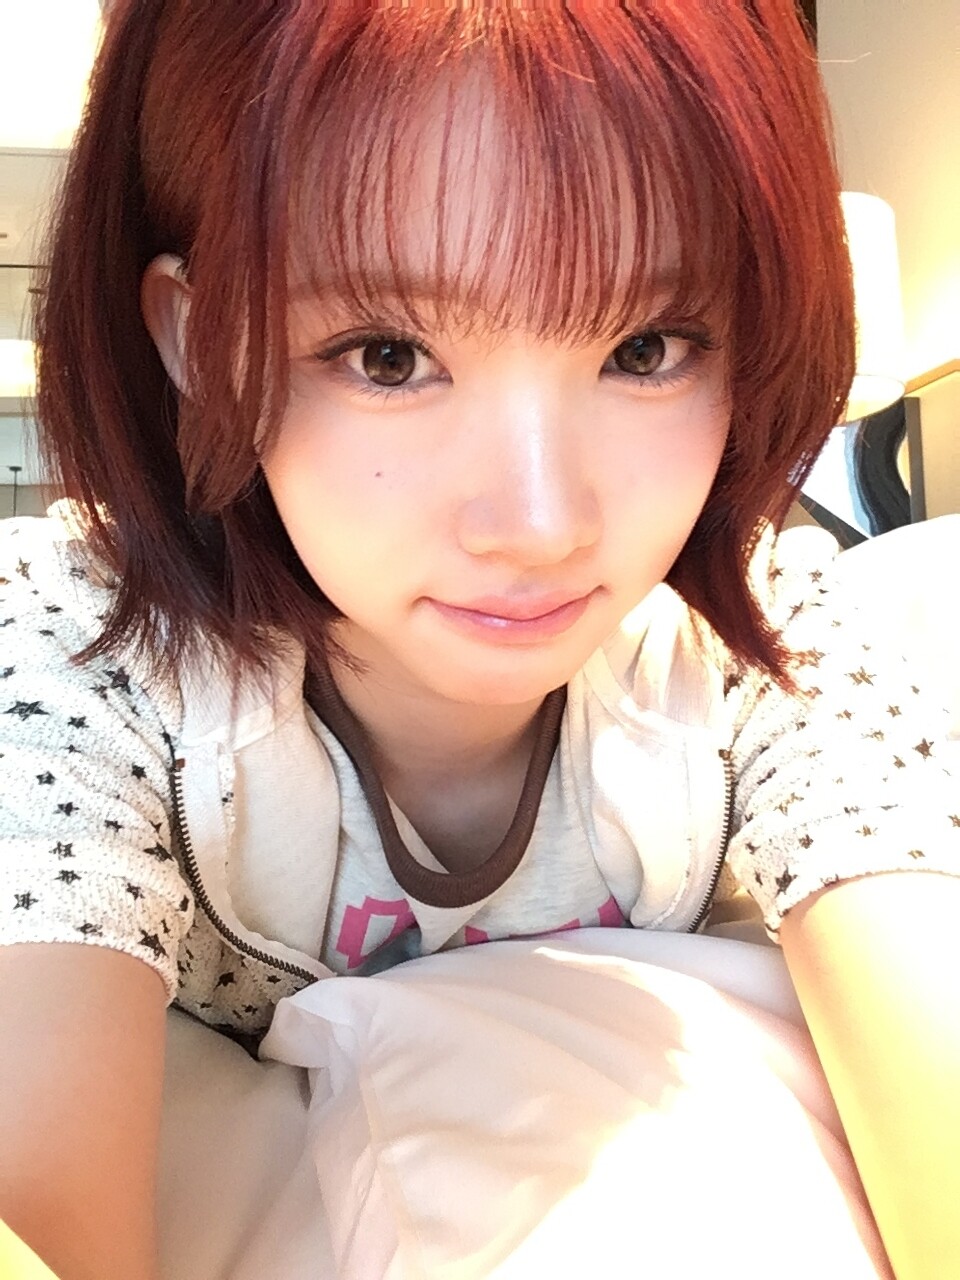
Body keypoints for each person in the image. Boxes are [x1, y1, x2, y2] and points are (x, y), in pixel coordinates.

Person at [1, 2, 958, 1277]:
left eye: (646, 348)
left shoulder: (762, 635)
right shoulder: (81, 659)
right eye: (388, 356)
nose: (541, 524)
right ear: (199, 339)